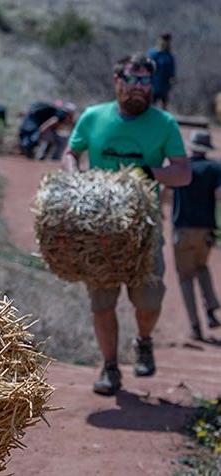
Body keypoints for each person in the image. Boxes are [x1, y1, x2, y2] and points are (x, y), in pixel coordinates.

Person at [62, 53, 191, 396]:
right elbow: (71, 152)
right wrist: (76, 180)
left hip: (143, 228)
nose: (138, 89)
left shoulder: (164, 124)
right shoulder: (93, 117)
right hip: (99, 229)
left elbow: (183, 172)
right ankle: (109, 368)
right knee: (102, 302)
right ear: (117, 81)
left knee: (149, 298)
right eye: (131, 81)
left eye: (145, 82)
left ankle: (144, 340)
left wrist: (148, 173)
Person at [171, 129, 221, 340]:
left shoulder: (181, 168)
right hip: (205, 229)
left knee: (185, 278)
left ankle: (195, 326)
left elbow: (165, 194)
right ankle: (211, 309)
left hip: (183, 229)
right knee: (202, 267)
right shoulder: (214, 168)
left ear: (190, 147)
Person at [148, 33, 176, 110]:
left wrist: (172, 79)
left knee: (164, 107)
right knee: (151, 106)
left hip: (164, 87)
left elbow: (171, 71)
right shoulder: (153, 54)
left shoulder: (169, 56)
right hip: (153, 85)